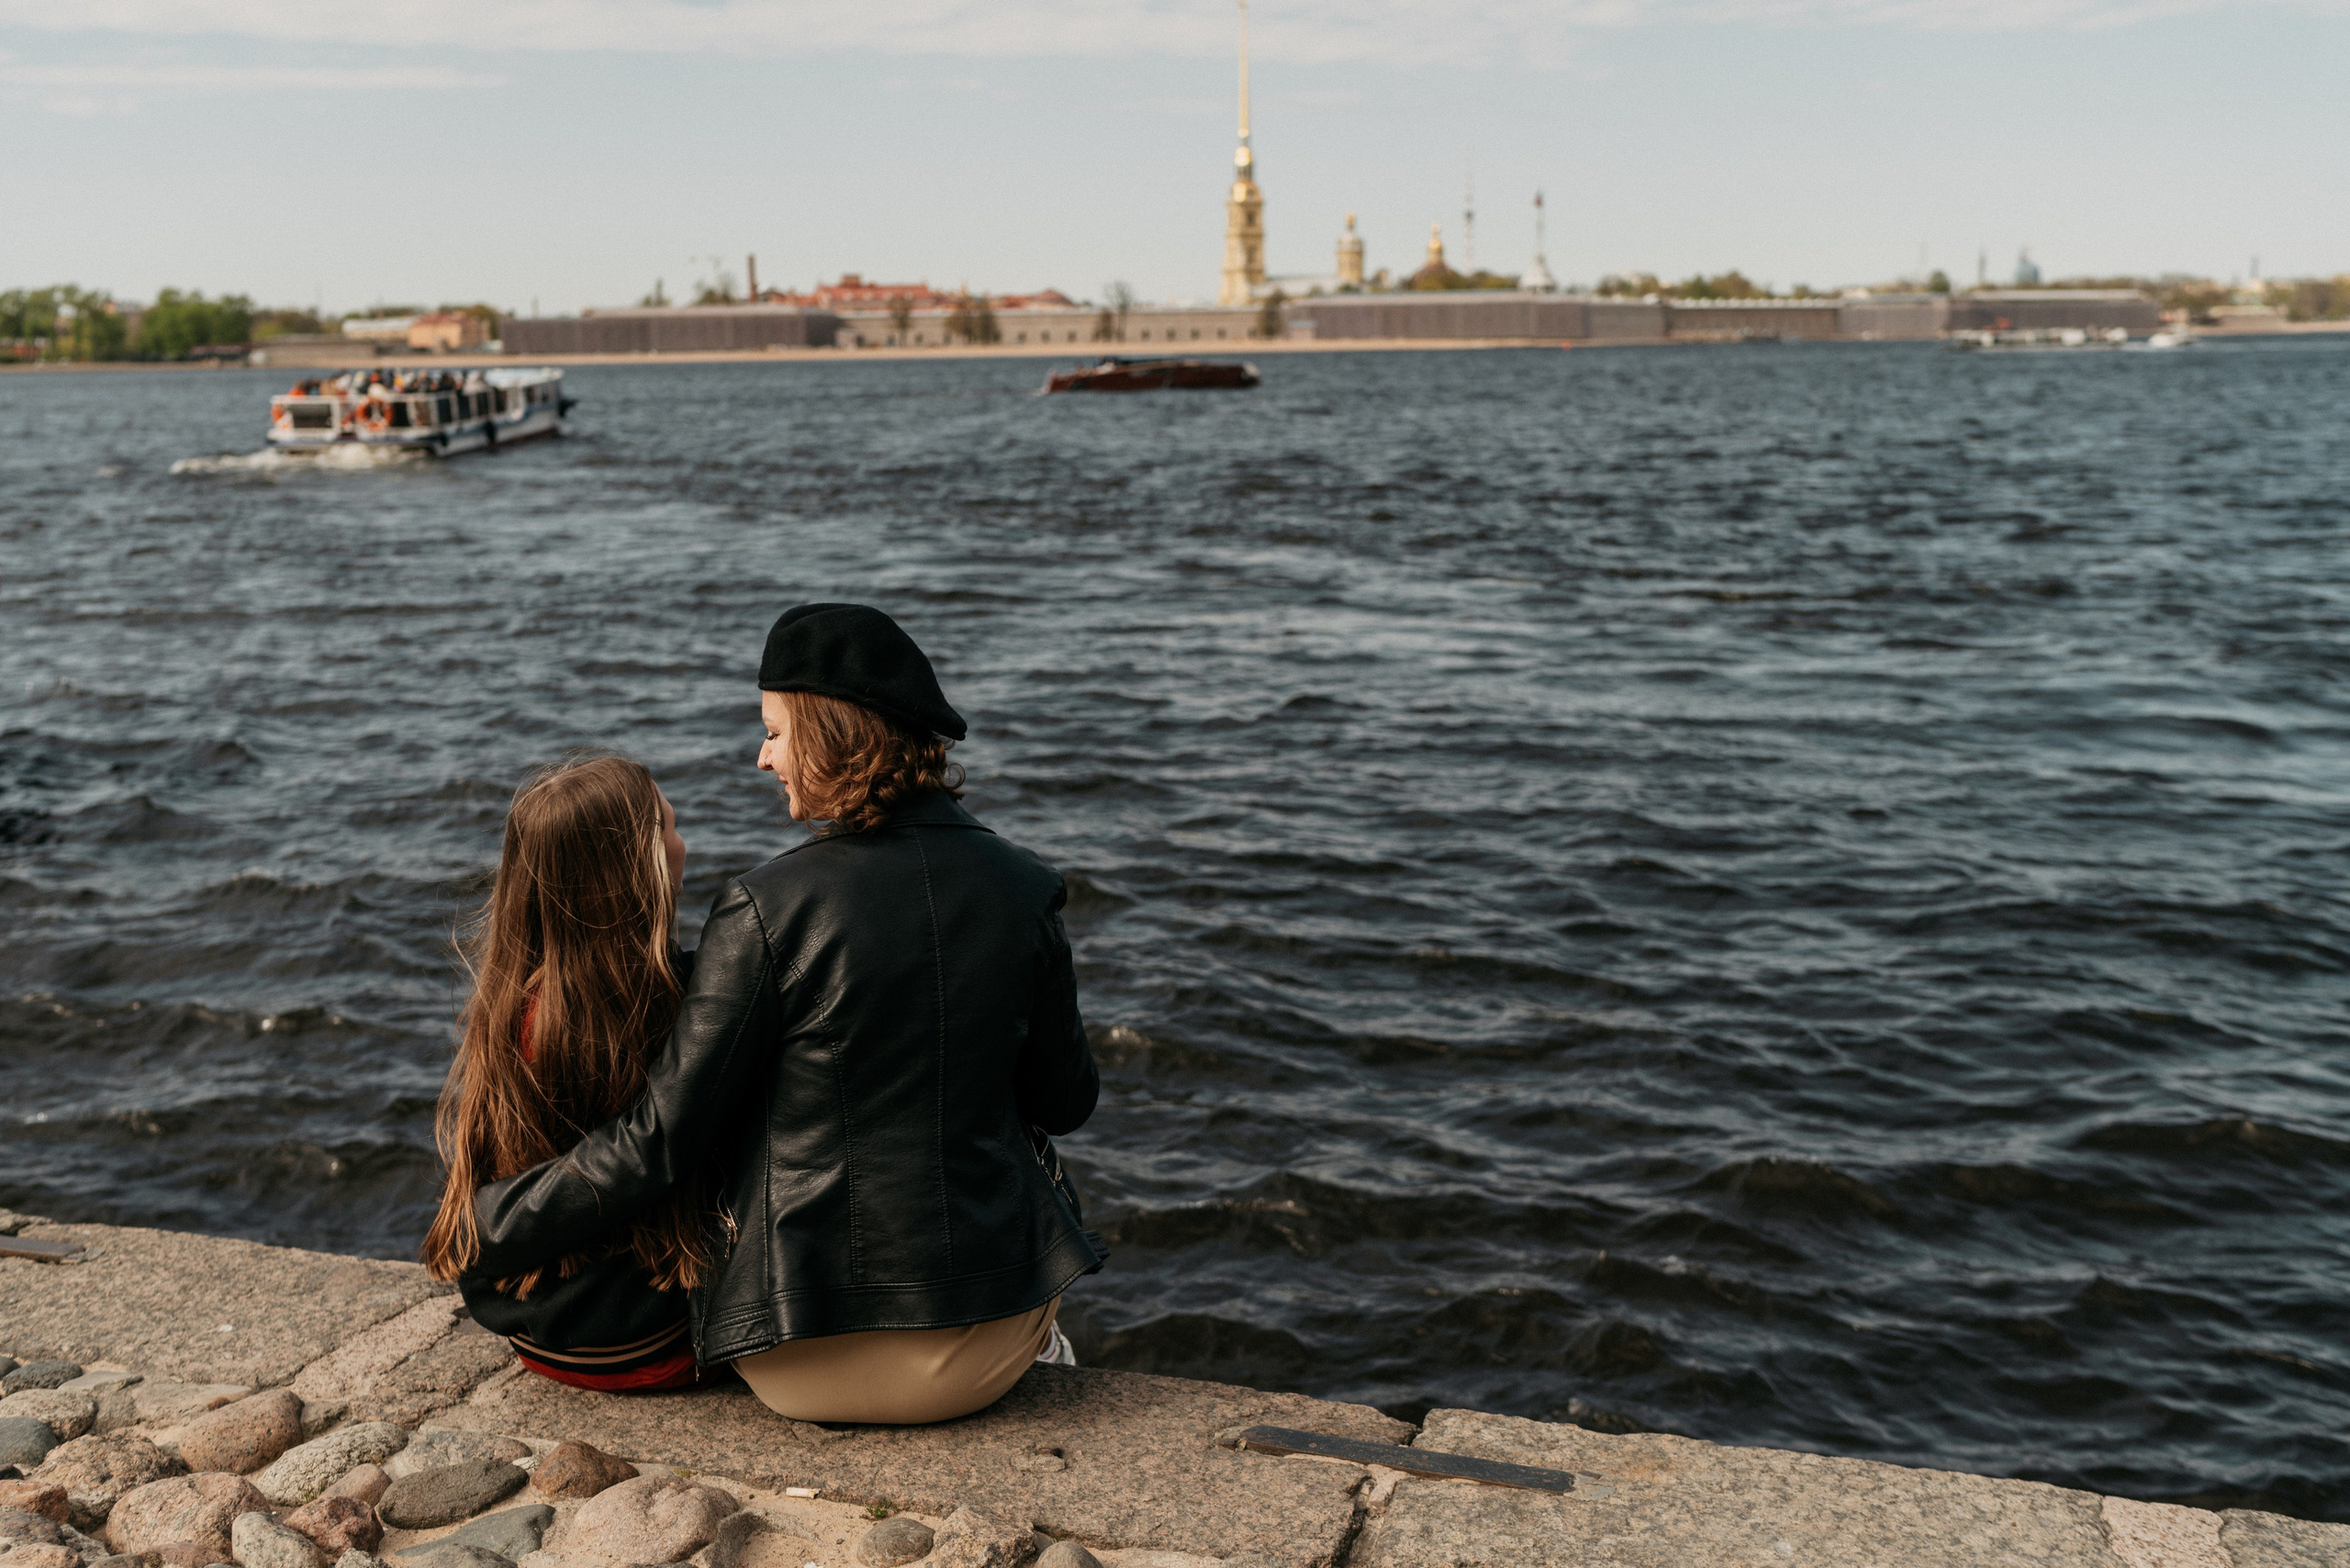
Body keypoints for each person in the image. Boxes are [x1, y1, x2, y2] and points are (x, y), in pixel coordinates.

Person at [467, 604, 1104, 1424]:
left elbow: (661, 1141)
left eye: (774, 731)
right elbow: (1067, 1104)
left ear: (833, 733)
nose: (761, 757)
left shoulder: (765, 907)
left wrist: (490, 1224)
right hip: (991, 1350)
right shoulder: (1027, 887)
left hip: (801, 1357)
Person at [420, 756, 716, 1393]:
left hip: (542, 1339)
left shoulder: (512, 1008)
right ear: (640, 870)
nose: (682, 842)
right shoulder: (675, 1001)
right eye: (670, 827)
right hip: (654, 1338)